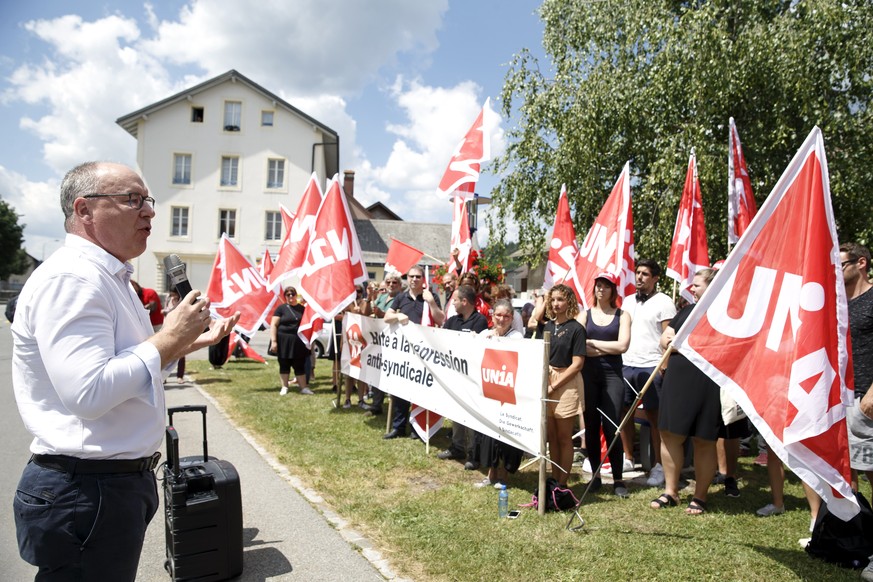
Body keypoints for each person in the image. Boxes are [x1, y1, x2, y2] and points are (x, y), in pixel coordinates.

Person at [11, 161, 239, 581]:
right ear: (84, 210)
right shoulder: (74, 278)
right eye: (132, 200)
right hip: (86, 489)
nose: (149, 211)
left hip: (105, 487)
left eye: (147, 200)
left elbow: (135, 364)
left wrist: (189, 340)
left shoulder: (109, 276)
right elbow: (90, 392)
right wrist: (170, 338)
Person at [652, 268, 719, 515]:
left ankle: (700, 497)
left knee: (703, 439)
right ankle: (671, 491)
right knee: (669, 434)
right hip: (677, 379)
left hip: (707, 382)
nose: (691, 288)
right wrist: (681, 344)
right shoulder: (686, 312)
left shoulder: (723, 315)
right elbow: (665, 339)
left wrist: (682, 345)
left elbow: (713, 348)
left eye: (697, 285)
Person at [619, 259, 677, 486]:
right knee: (624, 413)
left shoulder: (664, 302)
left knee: (655, 417)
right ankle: (628, 457)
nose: (640, 277)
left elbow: (669, 337)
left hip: (652, 365)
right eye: (638, 273)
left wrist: (665, 364)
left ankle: (658, 466)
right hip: (627, 363)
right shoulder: (627, 301)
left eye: (645, 274)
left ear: (655, 278)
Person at [579, 272, 631, 497]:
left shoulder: (623, 315)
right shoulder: (585, 315)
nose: (601, 289)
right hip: (589, 375)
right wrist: (603, 346)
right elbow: (580, 345)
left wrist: (593, 343)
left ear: (613, 290)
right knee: (591, 425)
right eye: (598, 286)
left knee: (612, 426)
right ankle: (596, 477)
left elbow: (622, 346)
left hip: (613, 376)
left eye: (606, 286)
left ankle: (618, 479)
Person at [383, 265, 444, 438]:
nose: (414, 279)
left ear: (423, 279)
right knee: (401, 389)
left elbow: (441, 319)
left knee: (421, 390)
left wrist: (431, 302)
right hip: (404, 351)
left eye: (418, 277)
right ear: (407, 278)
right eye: (411, 276)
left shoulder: (431, 297)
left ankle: (418, 428)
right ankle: (399, 426)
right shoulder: (400, 297)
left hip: (424, 352)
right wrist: (398, 316)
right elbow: (387, 317)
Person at [471, 299, 525, 488]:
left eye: (506, 316)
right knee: (488, 434)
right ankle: (491, 473)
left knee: (506, 434)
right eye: (498, 315)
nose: (502, 319)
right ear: (492, 316)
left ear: (512, 318)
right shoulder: (485, 334)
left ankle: (504, 475)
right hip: (488, 391)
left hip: (507, 392)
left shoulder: (517, 336)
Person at [435, 285, 489, 466]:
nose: (454, 303)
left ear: (465, 301)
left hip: (472, 378)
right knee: (456, 412)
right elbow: (442, 341)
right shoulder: (452, 321)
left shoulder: (480, 321)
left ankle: (474, 453)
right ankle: (457, 447)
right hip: (455, 374)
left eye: (455, 300)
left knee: (472, 414)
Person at [542, 284, 586, 486]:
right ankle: (554, 478)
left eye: (560, 299)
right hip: (548, 376)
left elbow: (577, 364)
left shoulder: (576, 328)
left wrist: (554, 385)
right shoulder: (548, 326)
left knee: (564, 436)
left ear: (569, 301)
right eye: (553, 300)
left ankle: (563, 483)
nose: (556, 303)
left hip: (567, 380)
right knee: (551, 436)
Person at [362, 272, 404, 416]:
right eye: (389, 282)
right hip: (377, 341)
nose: (391, 285)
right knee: (376, 371)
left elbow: (392, 318)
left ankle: (396, 407)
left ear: (399, 285)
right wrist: (368, 299)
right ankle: (376, 404)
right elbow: (366, 313)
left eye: (394, 282)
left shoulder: (401, 298)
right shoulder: (381, 297)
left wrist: (380, 314)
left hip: (392, 342)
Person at [269, 286, 314, 395]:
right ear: (285, 296)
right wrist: (274, 341)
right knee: (284, 364)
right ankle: (284, 387)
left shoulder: (302, 309)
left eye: (292, 294)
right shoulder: (281, 309)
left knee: (299, 364)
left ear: (296, 296)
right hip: (283, 341)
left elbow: (308, 325)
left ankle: (303, 387)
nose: (290, 296)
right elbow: (274, 325)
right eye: (288, 294)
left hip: (298, 341)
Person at [161, 287, 186, 383]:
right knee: (166, 351)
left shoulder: (183, 300)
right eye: (171, 294)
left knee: (181, 353)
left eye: (173, 294)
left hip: (180, 328)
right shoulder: (169, 298)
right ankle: (164, 376)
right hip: (168, 326)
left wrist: (169, 311)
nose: (172, 296)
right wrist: (165, 311)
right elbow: (166, 308)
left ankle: (180, 376)